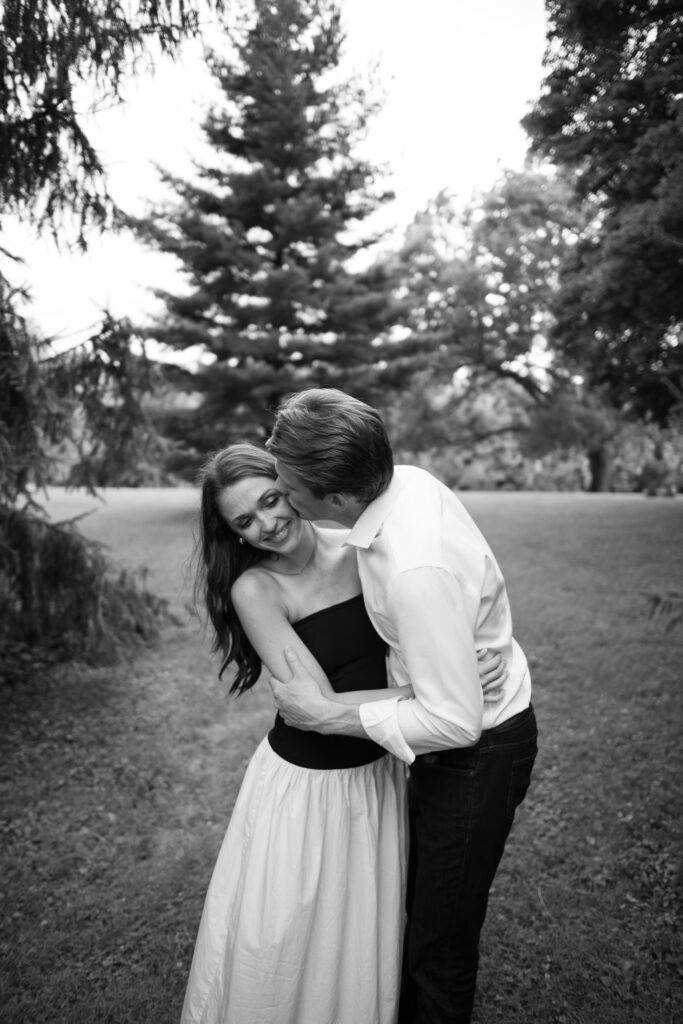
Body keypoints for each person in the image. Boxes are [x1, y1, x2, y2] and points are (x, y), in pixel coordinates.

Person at [180, 442, 505, 1024]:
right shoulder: (256, 590)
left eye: (272, 500)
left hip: (377, 764)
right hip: (305, 784)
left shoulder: (362, 549)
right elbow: (314, 705)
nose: (268, 524)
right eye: (245, 522)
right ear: (236, 535)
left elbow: (427, 619)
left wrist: (452, 665)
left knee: (362, 924)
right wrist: (442, 686)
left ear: (291, 485)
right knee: (282, 932)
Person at [266, 388, 538, 1024]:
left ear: (336, 498)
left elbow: (453, 721)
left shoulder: (414, 569)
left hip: (478, 756)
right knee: (419, 903)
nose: (281, 493)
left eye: (287, 485)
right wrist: (448, 659)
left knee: (439, 943)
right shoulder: (403, 482)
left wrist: (328, 714)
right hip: (461, 721)